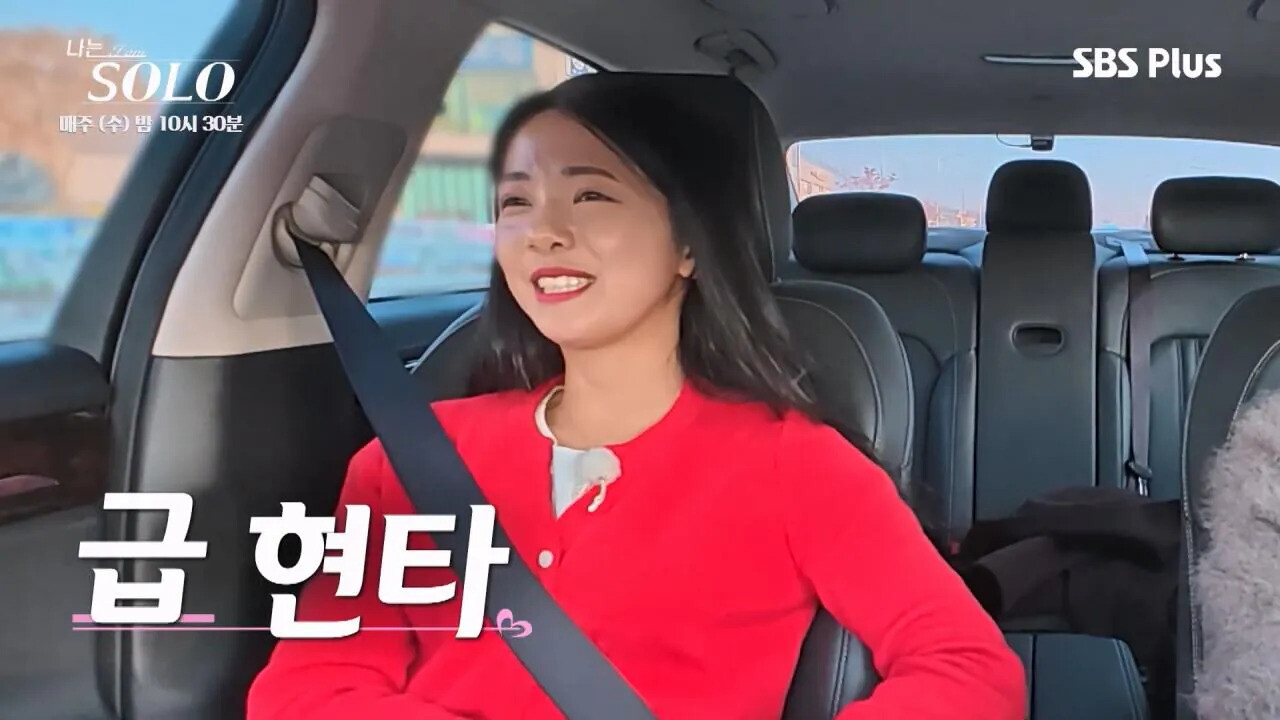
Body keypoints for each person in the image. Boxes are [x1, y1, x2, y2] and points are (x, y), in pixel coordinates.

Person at [246, 75, 1026, 719]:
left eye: (590, 196)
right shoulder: (407, 461)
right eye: (516, 203)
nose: (543, 231)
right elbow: (307, 688)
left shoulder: (796, 464)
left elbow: (968, 668)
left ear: (687, 244)